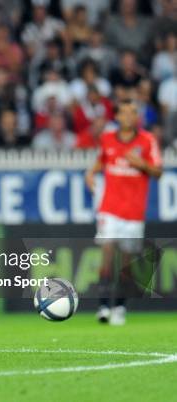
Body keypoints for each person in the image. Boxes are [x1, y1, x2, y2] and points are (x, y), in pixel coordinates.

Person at [85, 99, 162, 326]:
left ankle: (119, 306)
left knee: (126, 261)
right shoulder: (107, 139)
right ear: (117, 117)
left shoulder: (147, 141)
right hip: (109, 208)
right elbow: (100, 161)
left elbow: (158, 172)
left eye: (133, 113)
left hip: (134, 212)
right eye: (125, 113)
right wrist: (90, 174)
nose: (129, 117)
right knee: (107, 253)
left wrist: (141, 163)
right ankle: (102, 306)